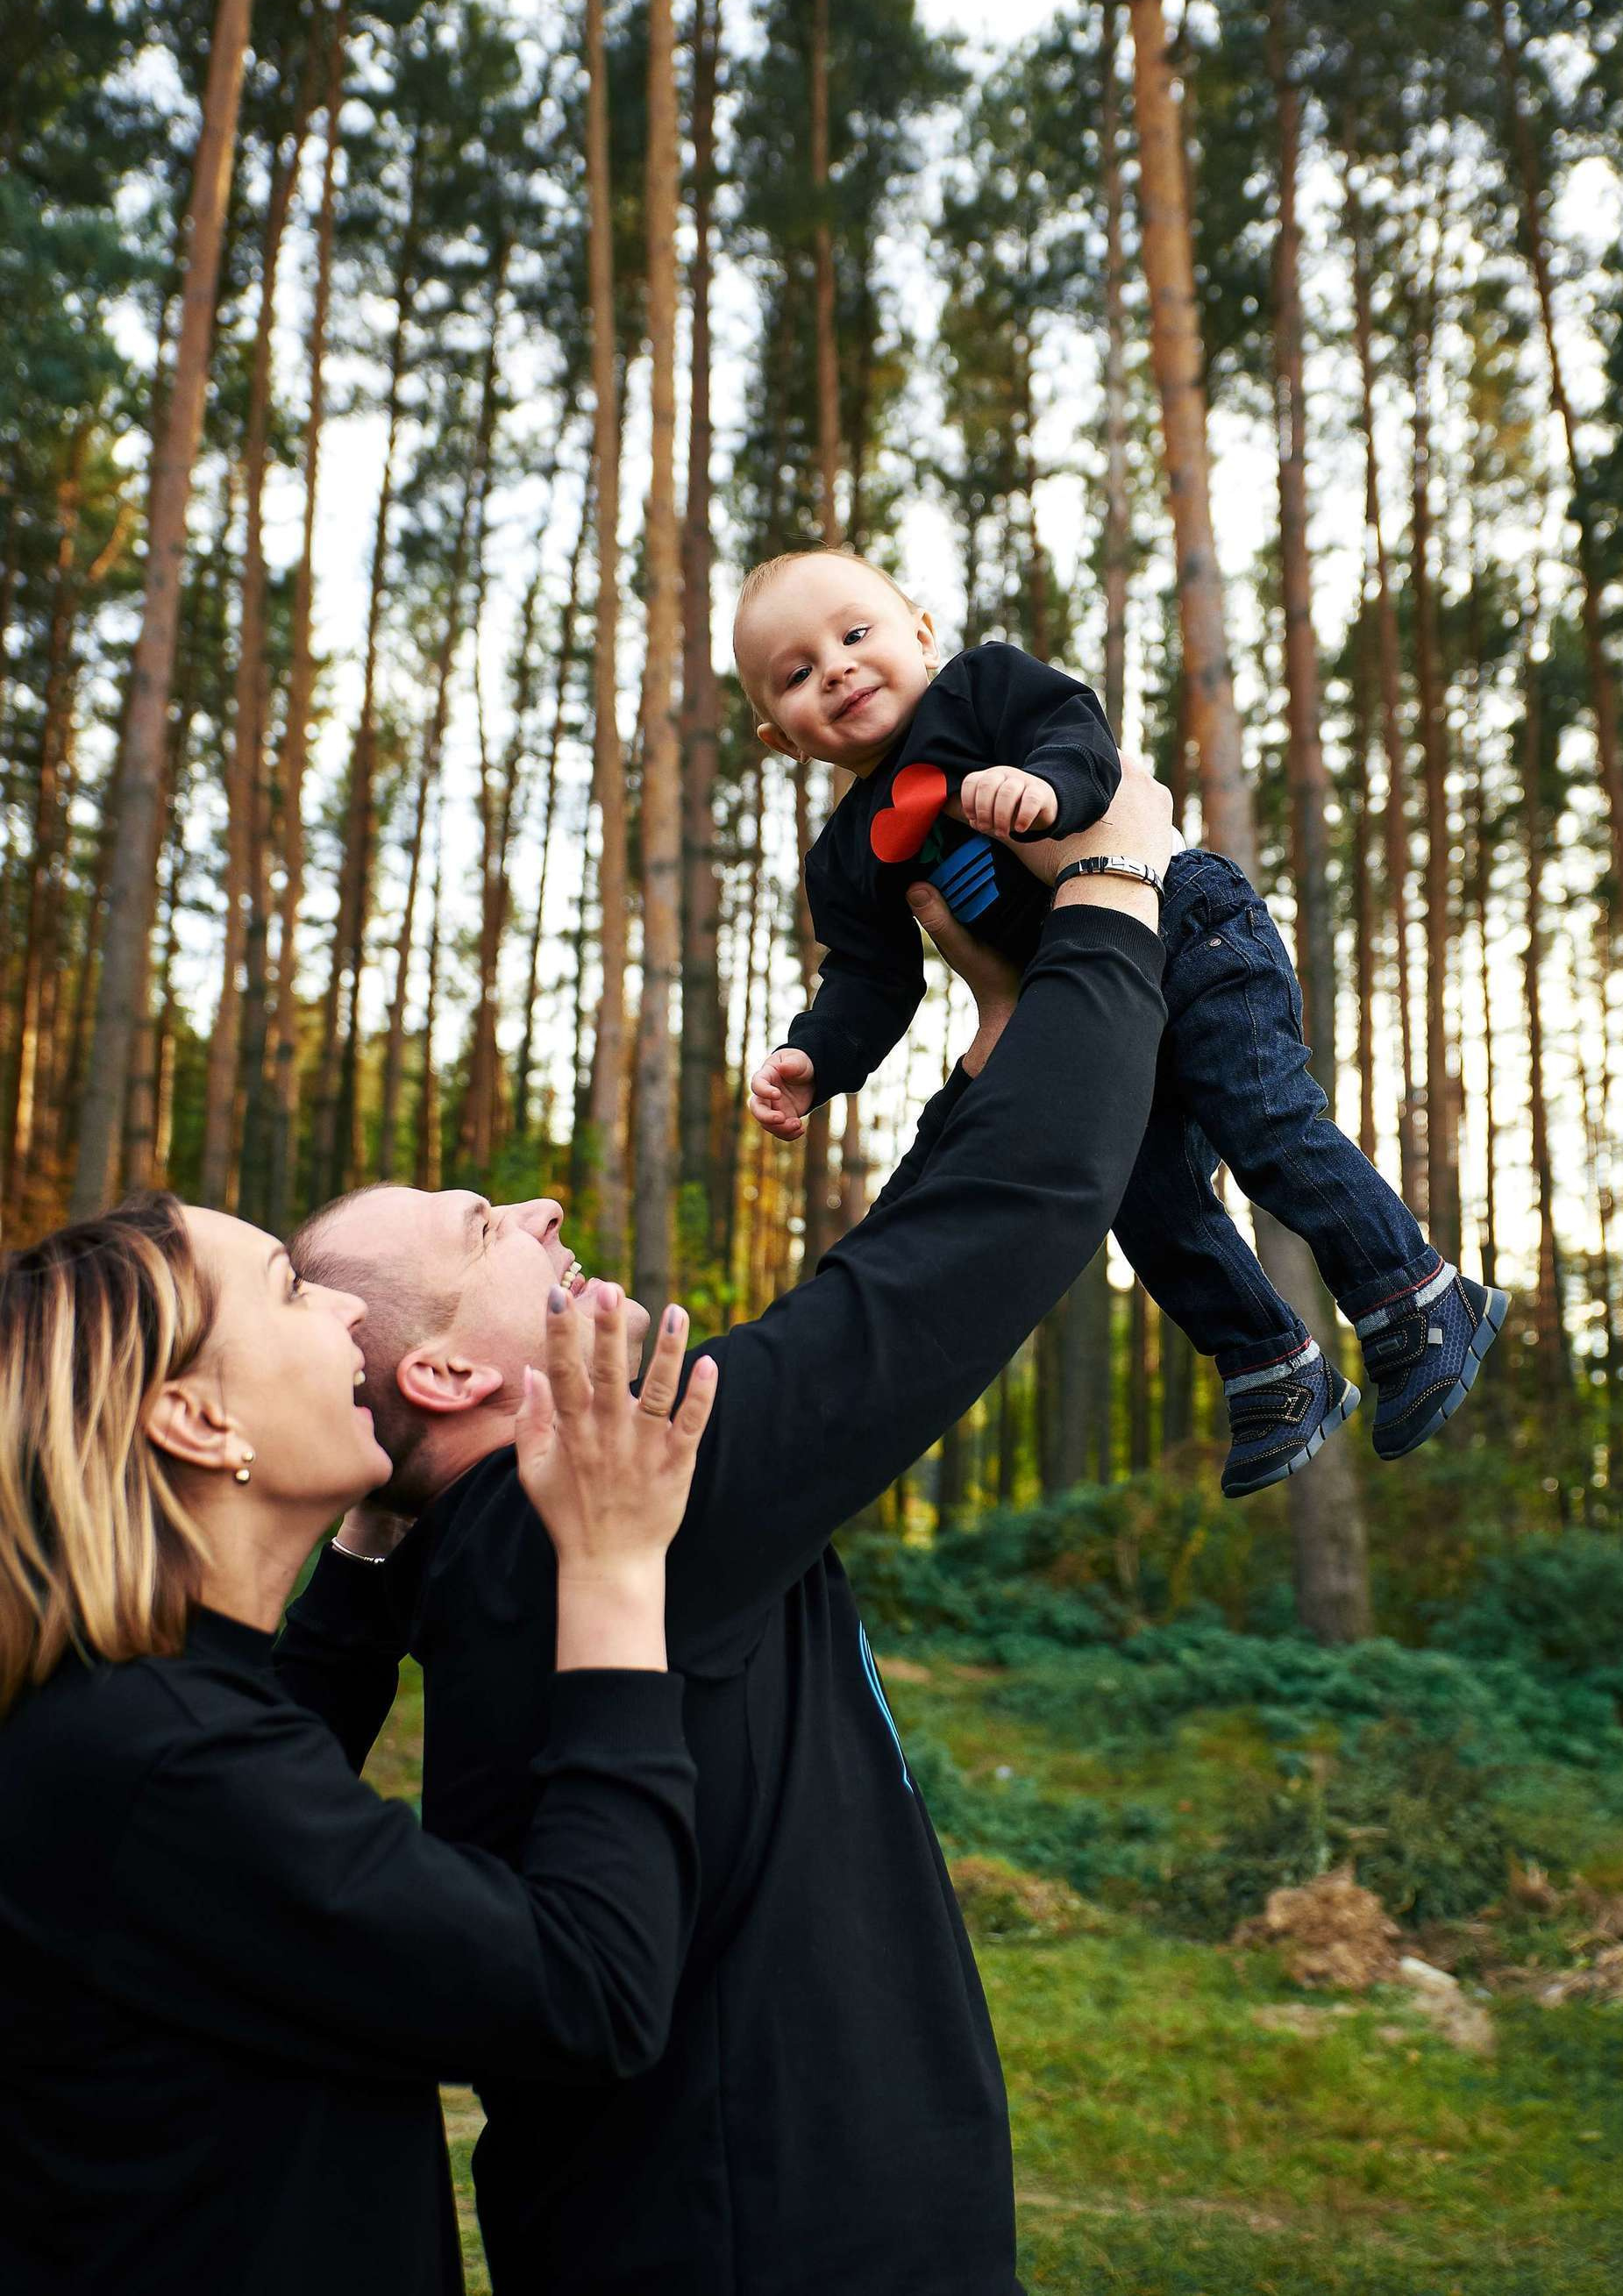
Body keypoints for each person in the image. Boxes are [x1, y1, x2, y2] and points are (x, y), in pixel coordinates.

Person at [276, 763, 1178, 2296]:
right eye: (482, 1227)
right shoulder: (604, 1513)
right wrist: (1115, 900)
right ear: (444, 1374)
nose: (543, 1212)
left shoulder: (503, 1535)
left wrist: (992, 1044)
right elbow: (993, 1232)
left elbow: (874, 1280)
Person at [0, 1191, 715, 2296]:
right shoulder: (160, 1761)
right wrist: (614, 1566)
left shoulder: (131, 1711)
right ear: (197, 1421)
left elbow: (282, 1755)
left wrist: (370, 1528)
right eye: (290, 1291)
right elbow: (589, 1988)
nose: (344, 1312)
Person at [737, 546, 1507, 1496]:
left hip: (1185, 928)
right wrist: (815, 1056)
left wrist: (1048, 791)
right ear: (785, 737)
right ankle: (1271, 1366)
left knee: (1259, 1114)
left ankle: (1414, 1296)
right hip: (1090, 1009)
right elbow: (868, 980)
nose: (838, 668)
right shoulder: (842, 860)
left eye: (855, 634)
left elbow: (1077, 733)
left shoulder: (977, 688)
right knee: (1135, 1191)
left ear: (920, 635)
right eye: (799, 674)